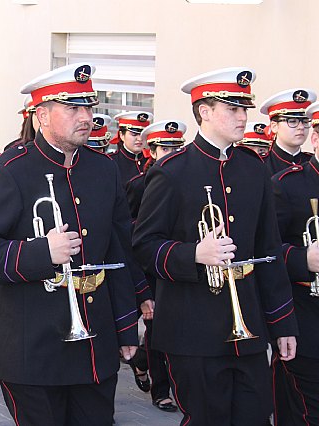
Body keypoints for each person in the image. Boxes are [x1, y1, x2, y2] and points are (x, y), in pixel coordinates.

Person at [0, 63, 140, 426]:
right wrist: (42, 253)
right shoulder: (10, 170)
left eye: (89, 108)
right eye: (73, 109)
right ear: (42, 115)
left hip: (94, 345)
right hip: (33, 349)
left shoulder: (103, 170)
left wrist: (125, 326)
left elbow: (120, 255)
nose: (86, 117)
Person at [133, 67, 299, 426]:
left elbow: (269, 252)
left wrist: (283, 323)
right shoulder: (171, 170)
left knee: (255, 418)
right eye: (233, 109)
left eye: (244, 109)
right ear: (204, 111)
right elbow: (144, 245)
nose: (243, 117)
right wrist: (192, 254)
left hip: (249, 330)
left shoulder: (253, 169)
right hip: (193, 331)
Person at [125, 119, 186, 414]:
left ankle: (142, 361)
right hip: (150, 270)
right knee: (157, 331)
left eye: (177, 146)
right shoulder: (138, 185)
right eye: (166, 147)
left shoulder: (188, 180)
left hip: (181, 265)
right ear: (152, 150)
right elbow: (131, 234)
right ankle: (161, 391)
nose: (172, 152)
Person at [270, 100, 319, 425]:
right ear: (315, 138)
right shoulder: (289, 184)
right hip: (306, 310)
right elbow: (269, 250)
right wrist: (305, 259)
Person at [261, 89, 315, 176]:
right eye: (292, 121)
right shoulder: (260, 164)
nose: (301, 127)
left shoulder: (313, 163)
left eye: (305, 121)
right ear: (274, 126)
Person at [109, 111, 153, 184]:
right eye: (134, 134)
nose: (139, 139)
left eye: (143, 135)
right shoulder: (111, 162)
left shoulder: (151, 161)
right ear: (121, 135)